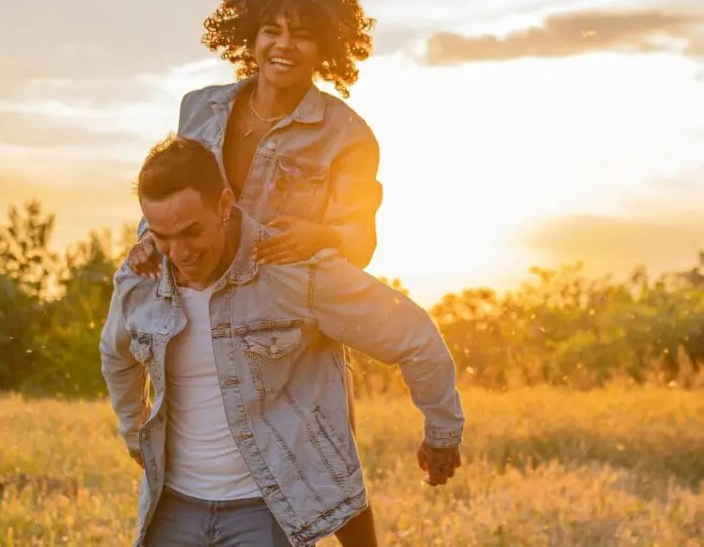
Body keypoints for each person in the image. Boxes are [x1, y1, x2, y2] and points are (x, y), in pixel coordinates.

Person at [101, 136, 465, 547]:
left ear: (224, 205)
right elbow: (116, 355)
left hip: (263, 513)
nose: (179, 252)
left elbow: (415, 337)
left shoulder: (294, 272)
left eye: (191, 232)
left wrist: (442, 434)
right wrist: (134, 431)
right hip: (172, 510)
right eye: (163, 235)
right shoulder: (141, 278)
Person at [125, 0, 384, 544]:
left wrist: (319, 232)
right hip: (203, 300)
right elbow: (170, 186)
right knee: (201, 440)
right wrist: (148, 236)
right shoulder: (201, 108)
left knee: (317, 451)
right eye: (272, 30)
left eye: (303, 35)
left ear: (327, 50)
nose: (283, 45)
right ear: (249, 36)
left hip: (286, 311)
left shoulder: (346, 134)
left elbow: (359, 240)